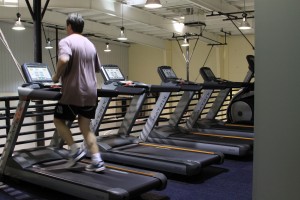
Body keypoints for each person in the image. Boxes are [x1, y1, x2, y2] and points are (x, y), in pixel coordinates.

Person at [52, 13, 105, 172]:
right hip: (91, 93)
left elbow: (64, 60)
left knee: (58, 120)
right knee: (85, 126)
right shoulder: (90, 44)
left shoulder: (66, 41)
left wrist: (56, 76)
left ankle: (74, 150)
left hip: (73, 92)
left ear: (69, 26)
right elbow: (97, 69)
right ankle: (97, 160)